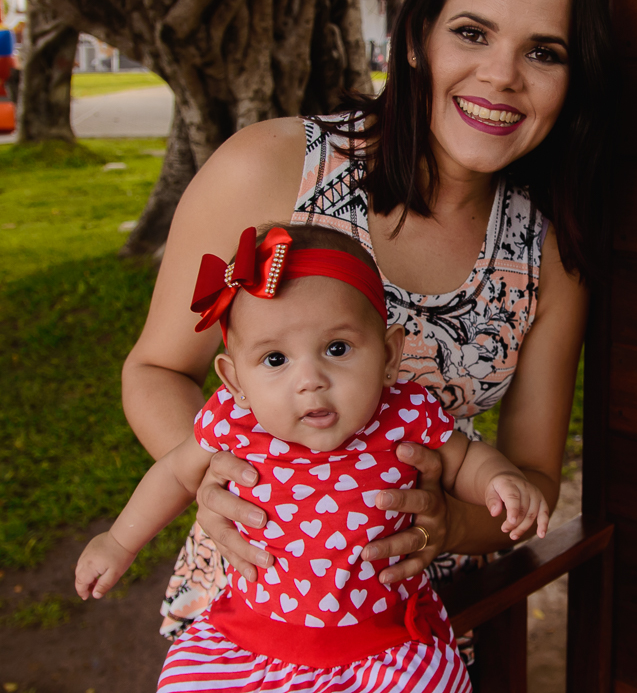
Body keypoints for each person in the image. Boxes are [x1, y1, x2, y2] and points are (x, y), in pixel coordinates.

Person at [117, 0, 612, 645]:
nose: (502, 76)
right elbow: (155, 367)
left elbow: (533, 482)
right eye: (472, 33)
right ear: (417, 39)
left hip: (416, 634)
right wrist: (211, 475)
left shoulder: (549, 256)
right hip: (249, 616)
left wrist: (453, 526)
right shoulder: (272, 168)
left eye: (545, 52)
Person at [79, 225, 549, 690]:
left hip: (385, 645)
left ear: (388, 356)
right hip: (247, 637)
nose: (310, 379)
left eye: (337, 349)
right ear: (235, 380)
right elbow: (176, 477)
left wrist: (499, 481)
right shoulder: (232, 424)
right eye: (275, 359)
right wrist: (120, 542)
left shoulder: (405, 414)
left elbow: (464, 461)